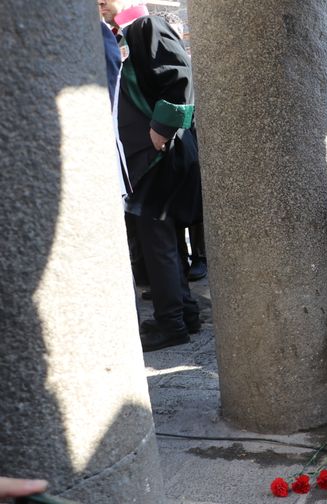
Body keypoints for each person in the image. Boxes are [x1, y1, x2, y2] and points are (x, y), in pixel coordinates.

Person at [100, 0, 202, 351]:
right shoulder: (127, 32)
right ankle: (184, 314)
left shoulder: (146, 26)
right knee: (166, 240)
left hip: (156, 156)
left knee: (157, 242)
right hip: (149, 156)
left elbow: (179, 77)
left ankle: (171, 323)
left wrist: (161, 130)